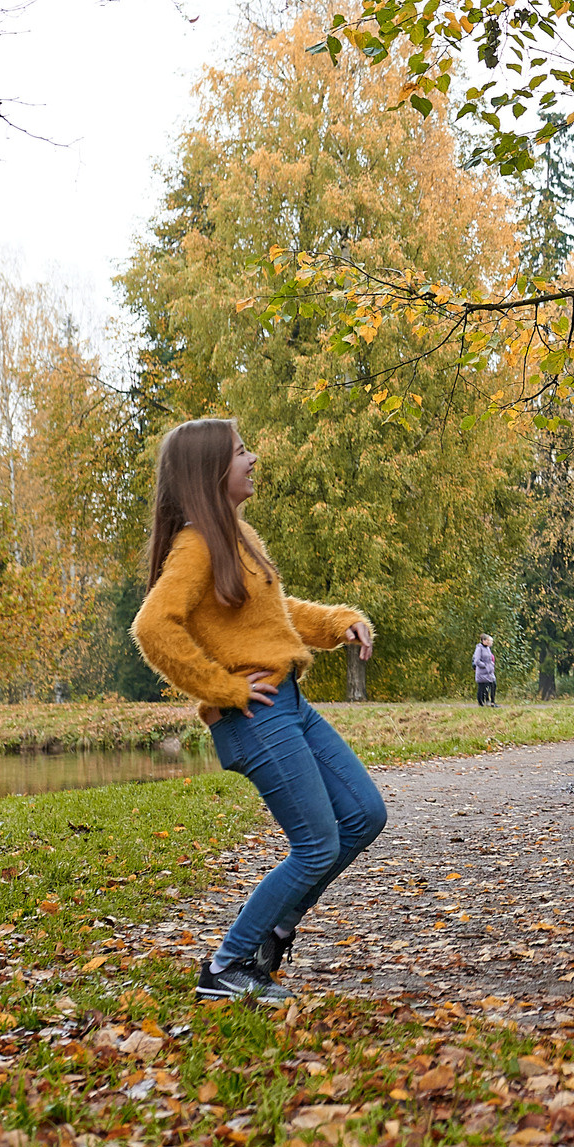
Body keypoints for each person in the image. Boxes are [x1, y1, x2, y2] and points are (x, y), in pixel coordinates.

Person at [131, 418, 386, 1003]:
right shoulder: (196, 545)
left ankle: (274, 928)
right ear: (209, 472)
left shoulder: (237, 536)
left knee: (365, 814)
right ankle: (227, 966)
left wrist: (334, 622)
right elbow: (152, 626)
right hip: (256, 715)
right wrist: (223, 688)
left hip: (289, 705)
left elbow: (273, 614)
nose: (252, 458)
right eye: (241, 451)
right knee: (317, 843)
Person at [474, 635, 498, 707]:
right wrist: (485, 666)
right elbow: (477, 661)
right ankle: (481, 702)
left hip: (489, 672)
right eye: (488, 641)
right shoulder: (479, 649)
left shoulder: (487, 648)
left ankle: (492, 702)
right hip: (482, 672)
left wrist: (491, 665)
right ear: (483, 641)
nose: (489, 642)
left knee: (493, 684)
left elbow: (489, 659)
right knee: (481, 687)